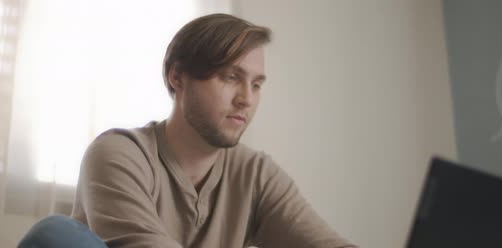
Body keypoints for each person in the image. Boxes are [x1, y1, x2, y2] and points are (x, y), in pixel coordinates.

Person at [19, 13, 357, 248]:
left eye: (257, 85)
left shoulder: (257, 175)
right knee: (56, 235)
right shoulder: (118, 154)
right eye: (230, 78)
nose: (246, 99)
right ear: (177, 77)